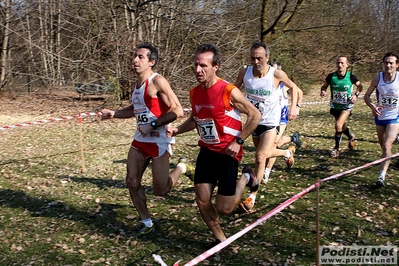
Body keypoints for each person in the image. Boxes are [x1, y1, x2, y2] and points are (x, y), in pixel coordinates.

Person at [166, 43, 261, 244]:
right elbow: (195, 118)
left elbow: (255, 115)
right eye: (196, 65)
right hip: (207, 151)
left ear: (215, 66)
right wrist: (177, 130)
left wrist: (239, 140)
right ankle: (221, 240)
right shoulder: (195, 92)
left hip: (228, 152)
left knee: (225, 208)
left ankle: (245, 177)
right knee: (202, 201)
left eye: (203, 66)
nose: (198, 70)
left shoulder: (229, 90)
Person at [101, 42, 190, 235]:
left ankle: (182, 168)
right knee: (132, 181)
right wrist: (114, 114)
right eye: (135, 56)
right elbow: (136, 109)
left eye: (140, 57)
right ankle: (147, 223)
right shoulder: (136, 85)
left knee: (161, 190)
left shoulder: (158, 81)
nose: (135, 60)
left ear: (151, 62)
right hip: (140, 142)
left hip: (158, 141)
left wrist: (153, 124)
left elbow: (178, 110)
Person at [234, 42, 300, 212]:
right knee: (260, 158)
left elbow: (293, 87)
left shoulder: (276, 74)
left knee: (260, 156)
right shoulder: (245, 72)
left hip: (271, 121)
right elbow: (234, 90)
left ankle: (252, 197)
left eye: (259, 58)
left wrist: (294, 107)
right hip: (253, 121)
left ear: (267, 58)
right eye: (253, 58)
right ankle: (287, 152)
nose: (256, 62)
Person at [261, 61, 303, 183]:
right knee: (275, 144)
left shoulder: (284, 85)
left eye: (274, 71)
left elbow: (299, 92)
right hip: (269, 118)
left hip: (281, 119)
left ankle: (266, 172)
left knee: (273, 145)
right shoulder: (267, 84)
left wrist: (296, 107)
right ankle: (291, 141)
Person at [364, 51, 399, 187]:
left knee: (386, 145)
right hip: (380, 117)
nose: (388, 65)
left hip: (394, 117)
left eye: (391, 63)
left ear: (397, 65)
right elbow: (366, 96)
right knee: (383, 148)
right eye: (386, 62)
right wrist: (373, 107)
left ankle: (381, 176)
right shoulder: (377, 78)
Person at [320, 56, 363, 158]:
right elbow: (324, 86)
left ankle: (336, 149)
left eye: (342, 63)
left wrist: (355, 95)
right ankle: (350, 136)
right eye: (338, 63)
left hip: (346, 106)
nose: (340, 65)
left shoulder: (351, 77)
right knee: (342, 127)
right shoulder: (331, 76)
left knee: (338, 125)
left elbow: (360, 86)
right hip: (335, 105)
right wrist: (323, 90)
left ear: (347, 65)